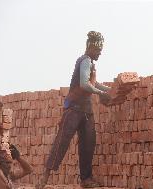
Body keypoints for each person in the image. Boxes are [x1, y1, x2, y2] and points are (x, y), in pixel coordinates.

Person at [38, 31, 111, 189]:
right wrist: (101, 93)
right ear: (91, 47)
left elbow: (94, 83)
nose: (100, 53)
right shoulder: (84, 60)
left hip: (86, 110)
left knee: (88, 145)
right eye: (98, 50)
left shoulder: (91, 64)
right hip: (74, 108)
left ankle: (86, 179)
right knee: (61, 142)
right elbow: (85, 84)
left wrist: (110, 90)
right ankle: (44, 179)